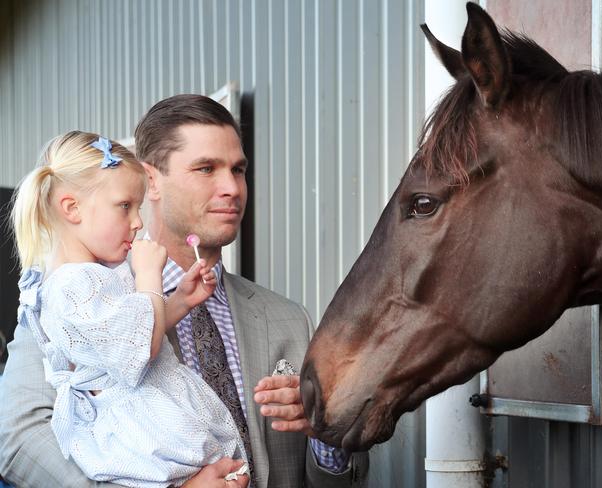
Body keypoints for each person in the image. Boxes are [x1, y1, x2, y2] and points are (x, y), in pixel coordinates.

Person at [0, 95, 369, 488]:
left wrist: (327, 432)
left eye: (239, 170)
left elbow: (337, 481)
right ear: (151, 181)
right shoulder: (81, 298)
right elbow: (17, 439)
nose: (232, 187)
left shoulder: (292, 320)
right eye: (206, 168)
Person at [8, 131, 248, 487]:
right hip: (140, 433)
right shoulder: (70, 286)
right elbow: (137, 350)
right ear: (71, 208)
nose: (137, 222)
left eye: (138, 208)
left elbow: (128, 330)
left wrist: (179, 301)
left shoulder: (99, 275)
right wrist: (148, 276)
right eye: (125, 206)